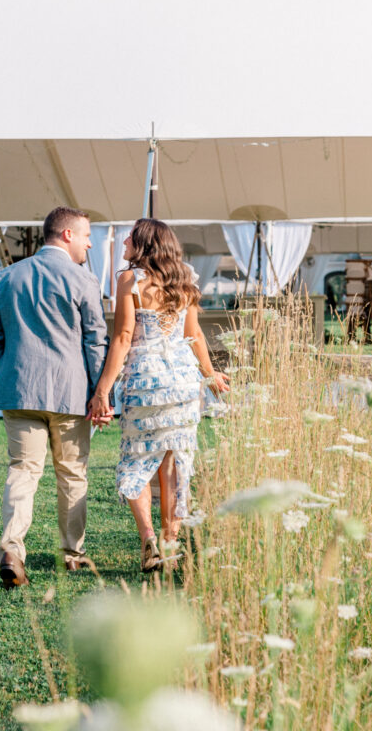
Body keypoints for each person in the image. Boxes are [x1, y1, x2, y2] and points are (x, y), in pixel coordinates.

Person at [87, 218, 229, 572]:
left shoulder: (130, 280)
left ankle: (149, 539)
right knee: (174, 462)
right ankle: (171, 545)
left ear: (144, 244)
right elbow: (194, 334)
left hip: (146, 380)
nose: (123, 247)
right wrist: (210, 376)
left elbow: (122, 338)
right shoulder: (185, 280)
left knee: (135, 460)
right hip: (182, 383)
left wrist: (103, 389)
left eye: (129, 240)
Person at [0, 206, 109, 588]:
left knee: (22, 471)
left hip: (18, 389)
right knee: (72, 474)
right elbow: (96, 342)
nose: (90, 243)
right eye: (86, 235)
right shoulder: (83, 280)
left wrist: (1, 380)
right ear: (67, 234)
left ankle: (11, 549)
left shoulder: (5, 278)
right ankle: (72, 554)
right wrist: (100, 393)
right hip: (71, 394)